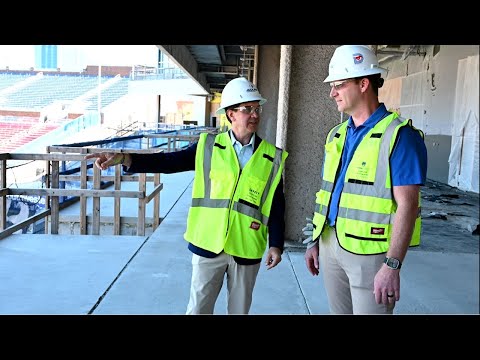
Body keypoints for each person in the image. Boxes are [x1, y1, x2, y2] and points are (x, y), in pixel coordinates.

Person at [85, 77, 288, 315]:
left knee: (239, 311)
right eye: (247, 109)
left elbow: (276, 203)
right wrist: (126, 158)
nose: (254, 115)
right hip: (208, 245)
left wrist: (276, 244)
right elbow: (169, 161)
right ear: (231, 114)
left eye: (257, 109)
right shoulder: (208, 146)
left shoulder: (271, 157)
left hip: (246, 247)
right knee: (198, 310)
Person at [303, 45, 427, 314]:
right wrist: (314, 240)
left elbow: (408, 205)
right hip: (330, 243)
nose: (332, 92)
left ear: (363, 83)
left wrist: (392, 264)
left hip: (370, 255)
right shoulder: (336, 135)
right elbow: (328, 192)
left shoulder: (400, 136)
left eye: (339, 84)